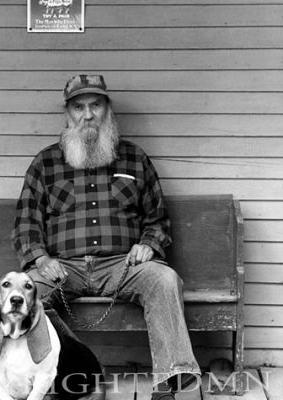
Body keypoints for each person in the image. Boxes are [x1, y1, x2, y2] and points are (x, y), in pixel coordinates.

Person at [12, 74, 201, 399]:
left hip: (122, 266)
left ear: (107, 110)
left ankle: (170, 387)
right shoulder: (45, 163)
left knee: (164, 279)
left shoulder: (134, 158)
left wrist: (148, 244)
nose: (87, 114)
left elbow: (157, 219)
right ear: (68, 114)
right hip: (62, 269)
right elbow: (26, 224)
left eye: (95, 105)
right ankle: (68, 376)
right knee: (23, 295)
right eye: (79, 107)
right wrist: (41, 259)